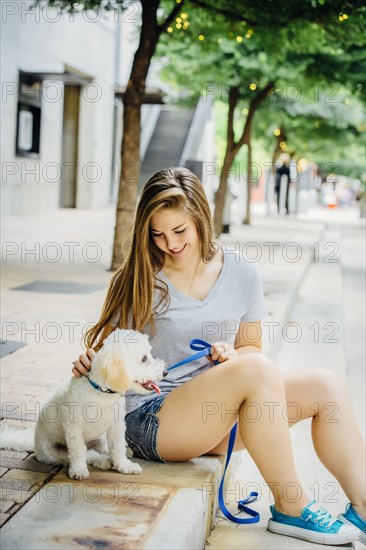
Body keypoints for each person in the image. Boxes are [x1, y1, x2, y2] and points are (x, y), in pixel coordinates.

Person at [73, 167, 365, 545]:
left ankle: (363, 508)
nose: (170, 243)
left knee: (326, 385)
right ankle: (291, 508)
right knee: (257, 371)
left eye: (180, 231)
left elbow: (251, 348)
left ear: (201, 218)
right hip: (149, 418)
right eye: (157, 234)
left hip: (212, 417)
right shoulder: (138, 277)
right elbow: (105, 356)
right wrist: (88, 363)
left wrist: (232, 354)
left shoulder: (241, 272)